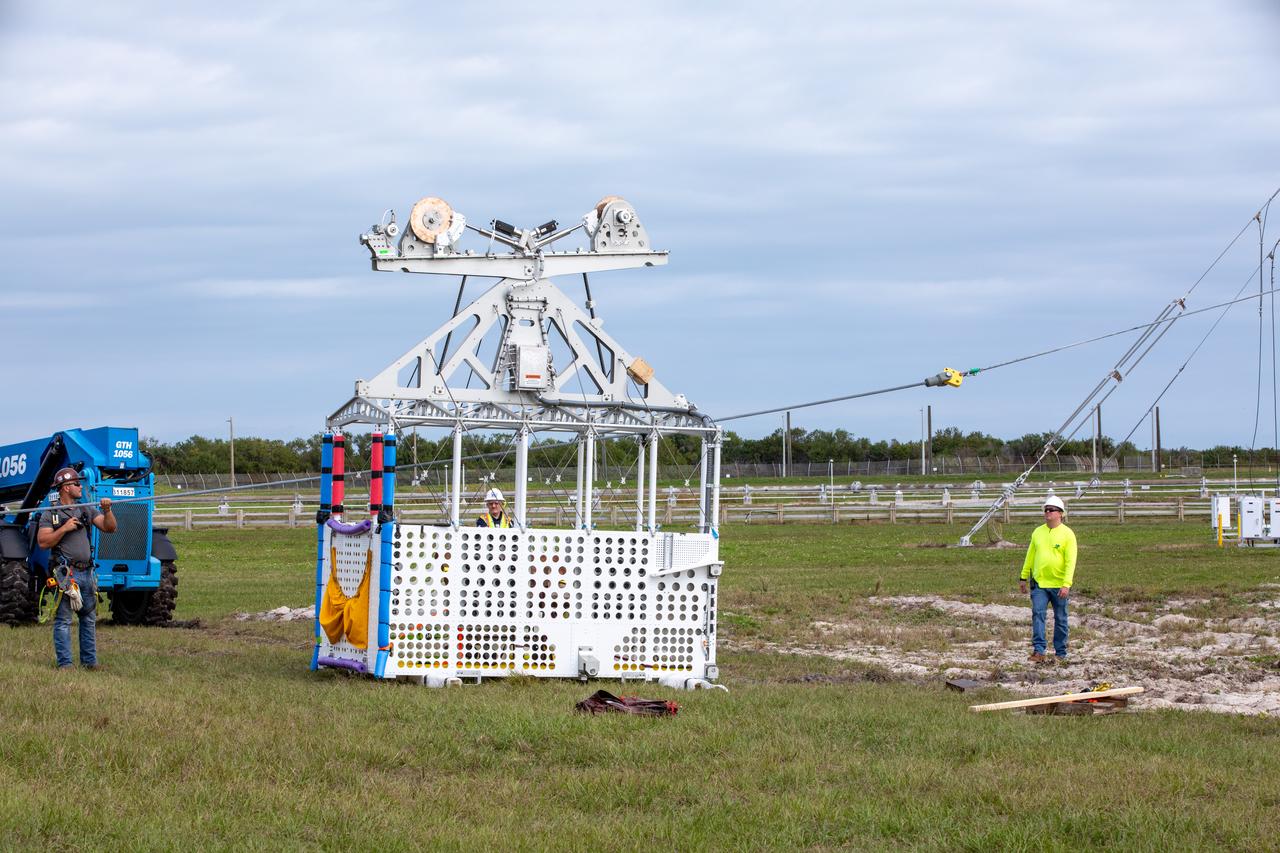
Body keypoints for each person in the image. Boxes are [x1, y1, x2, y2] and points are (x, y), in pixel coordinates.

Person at [36, 467, 116, 670]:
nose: (81, 487)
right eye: (77, 484)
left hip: (87, 573)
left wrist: (107, 511)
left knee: (88, 619)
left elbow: (110, 528)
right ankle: (66, 664)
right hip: (66, 574)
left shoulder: (86, 509)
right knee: (63, 620)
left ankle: (90, 662)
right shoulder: (50, 514)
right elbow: (43, 542)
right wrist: (64, 528)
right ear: (65, 487)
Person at [1019, 494, 1077, 663]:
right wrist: (1023, 577)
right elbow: (1030, 555)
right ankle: (1039, 651)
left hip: (1059, 585)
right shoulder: (1037, 532)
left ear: (1061, 513)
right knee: (1038, 614)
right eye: (1046, 510)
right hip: (1039, 584)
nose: (1048, 513)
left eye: (1051, 510)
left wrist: (1066, 584)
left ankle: (1060, 652)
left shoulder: (1068, 535)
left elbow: (1070, 561)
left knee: (1061, 619)